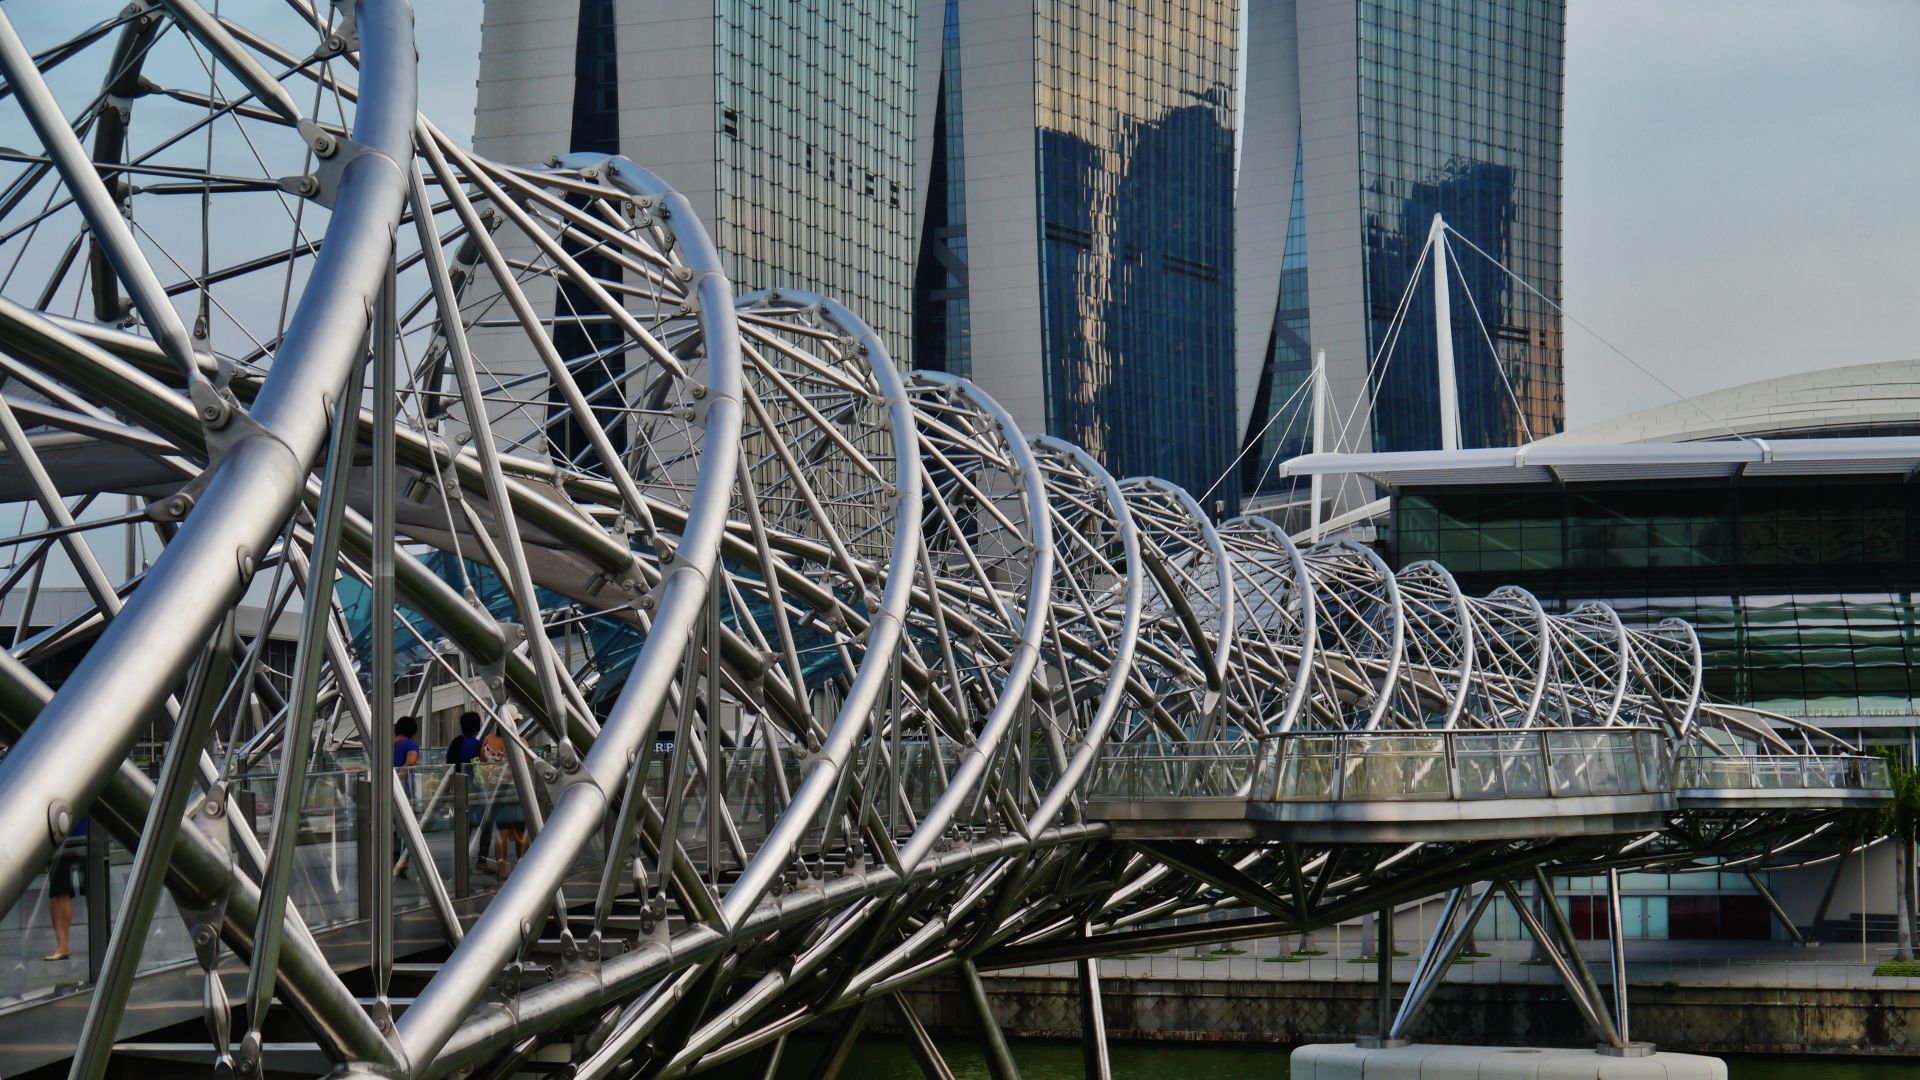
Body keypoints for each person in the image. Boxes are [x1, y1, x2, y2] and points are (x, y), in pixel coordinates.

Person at [481, 723, 527, 876]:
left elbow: (483, 763)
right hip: (515, 789)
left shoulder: (488, 740)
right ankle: (522, 866)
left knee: (501, 832)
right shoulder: (520, 741)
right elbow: (526, 765)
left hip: (495, 789)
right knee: (521, 831)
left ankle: (502, 871)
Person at [44, 816, 85, 962]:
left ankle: (105, 942)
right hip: (57, 832)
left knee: (96, 889)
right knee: (59, 891)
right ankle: (62, 945)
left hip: (89, 830)